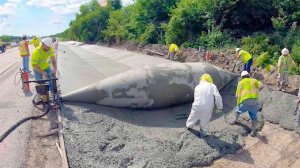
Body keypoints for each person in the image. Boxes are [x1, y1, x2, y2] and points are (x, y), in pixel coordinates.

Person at [31, 37, 58, 129]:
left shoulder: (49, 49)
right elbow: (34, 65)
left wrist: (55, 69)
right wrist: (42, 72)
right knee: (40, 83)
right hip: (37, 68)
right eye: (47, 47)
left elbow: (53, 59)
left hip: (45, 66)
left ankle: (51, 92)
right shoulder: (36, 52)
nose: (48, 49)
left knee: (51, 78)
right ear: (43, 44)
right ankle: (42, 97)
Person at [229, 71, 264, 137]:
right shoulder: (254, 80)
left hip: (245, 101)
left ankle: (234, 121)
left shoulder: (241, 82)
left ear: (242, 77)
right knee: (254, 117)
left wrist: (238, 104)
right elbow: (262, 86)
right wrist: (257, 91)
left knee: (237, 111)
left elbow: (237, 95)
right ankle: (253, 131)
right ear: (249, 75)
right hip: (254, 101)